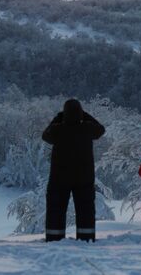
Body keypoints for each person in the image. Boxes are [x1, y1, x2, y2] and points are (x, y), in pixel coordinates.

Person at [42, 99, 105, 242]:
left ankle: (54, 238)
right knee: (85, 210)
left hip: (59, 178)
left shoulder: (57, 130)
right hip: (84, 178)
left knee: (55, 209)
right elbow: (101, 129)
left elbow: (45, 135)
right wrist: (85, 115)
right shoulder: (87, 128)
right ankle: (86, 237)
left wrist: (58, 118)